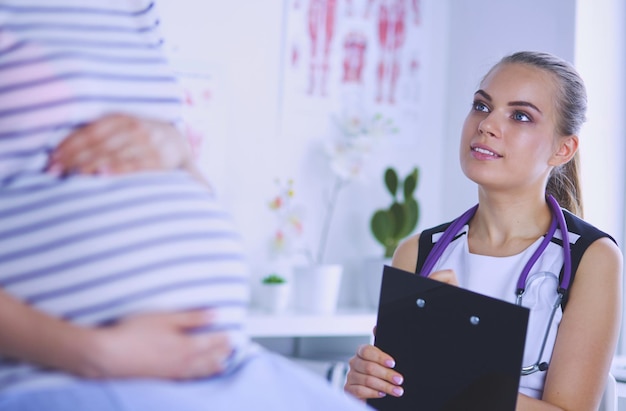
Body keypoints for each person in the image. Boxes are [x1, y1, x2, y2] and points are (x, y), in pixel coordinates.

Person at [0, 2, 370, 410]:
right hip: (61, 377)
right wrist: (93, 353)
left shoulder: (135, 9)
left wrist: (176, 148)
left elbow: (182, 179)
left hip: (229, 365)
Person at [344, 51, 623, 410]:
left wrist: (456, 369)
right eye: (481, 106)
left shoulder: (592, 258)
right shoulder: (418, 252)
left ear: (563, 149)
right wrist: (365, 387)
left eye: (520, 116)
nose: (487, 125)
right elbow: (397, 396)